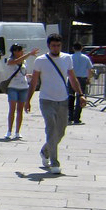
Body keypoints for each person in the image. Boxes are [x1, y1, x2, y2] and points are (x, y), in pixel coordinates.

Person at [25, 34, 87, 175]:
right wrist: (28, 100)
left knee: (61, 131)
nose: (56, 48)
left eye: (58, 45)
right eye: (53, 45)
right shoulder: (40, 61)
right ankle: (54, 162)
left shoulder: (67, 58)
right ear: (48, 46)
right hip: (46, 100)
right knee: (51, 129)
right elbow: (34, 82)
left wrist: (81, 94)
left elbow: (72, 78)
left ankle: (45, 150)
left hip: (63, 100)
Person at [3, 44, 38, 140]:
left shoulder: (24, 62)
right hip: (13, 87)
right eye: (21, 51)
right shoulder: (10, 60)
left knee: (20, 110)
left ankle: (17, 131)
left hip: (23, 87)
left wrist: (28, 75)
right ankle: (9, 130)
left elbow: (23, 72)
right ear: (15, 51)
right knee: (12, 109)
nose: (22, 52)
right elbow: (16, 62)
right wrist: (30, 54)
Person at [69, 42, 94, 124]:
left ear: (73, 48)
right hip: (82, 79)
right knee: (80, 97)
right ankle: (77, 118)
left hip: (71, 78)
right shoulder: (86, 58)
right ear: (82, 48)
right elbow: (90, 69)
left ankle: (70, 116)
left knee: (70, 97)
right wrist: (88, 78)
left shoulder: (70, 57)